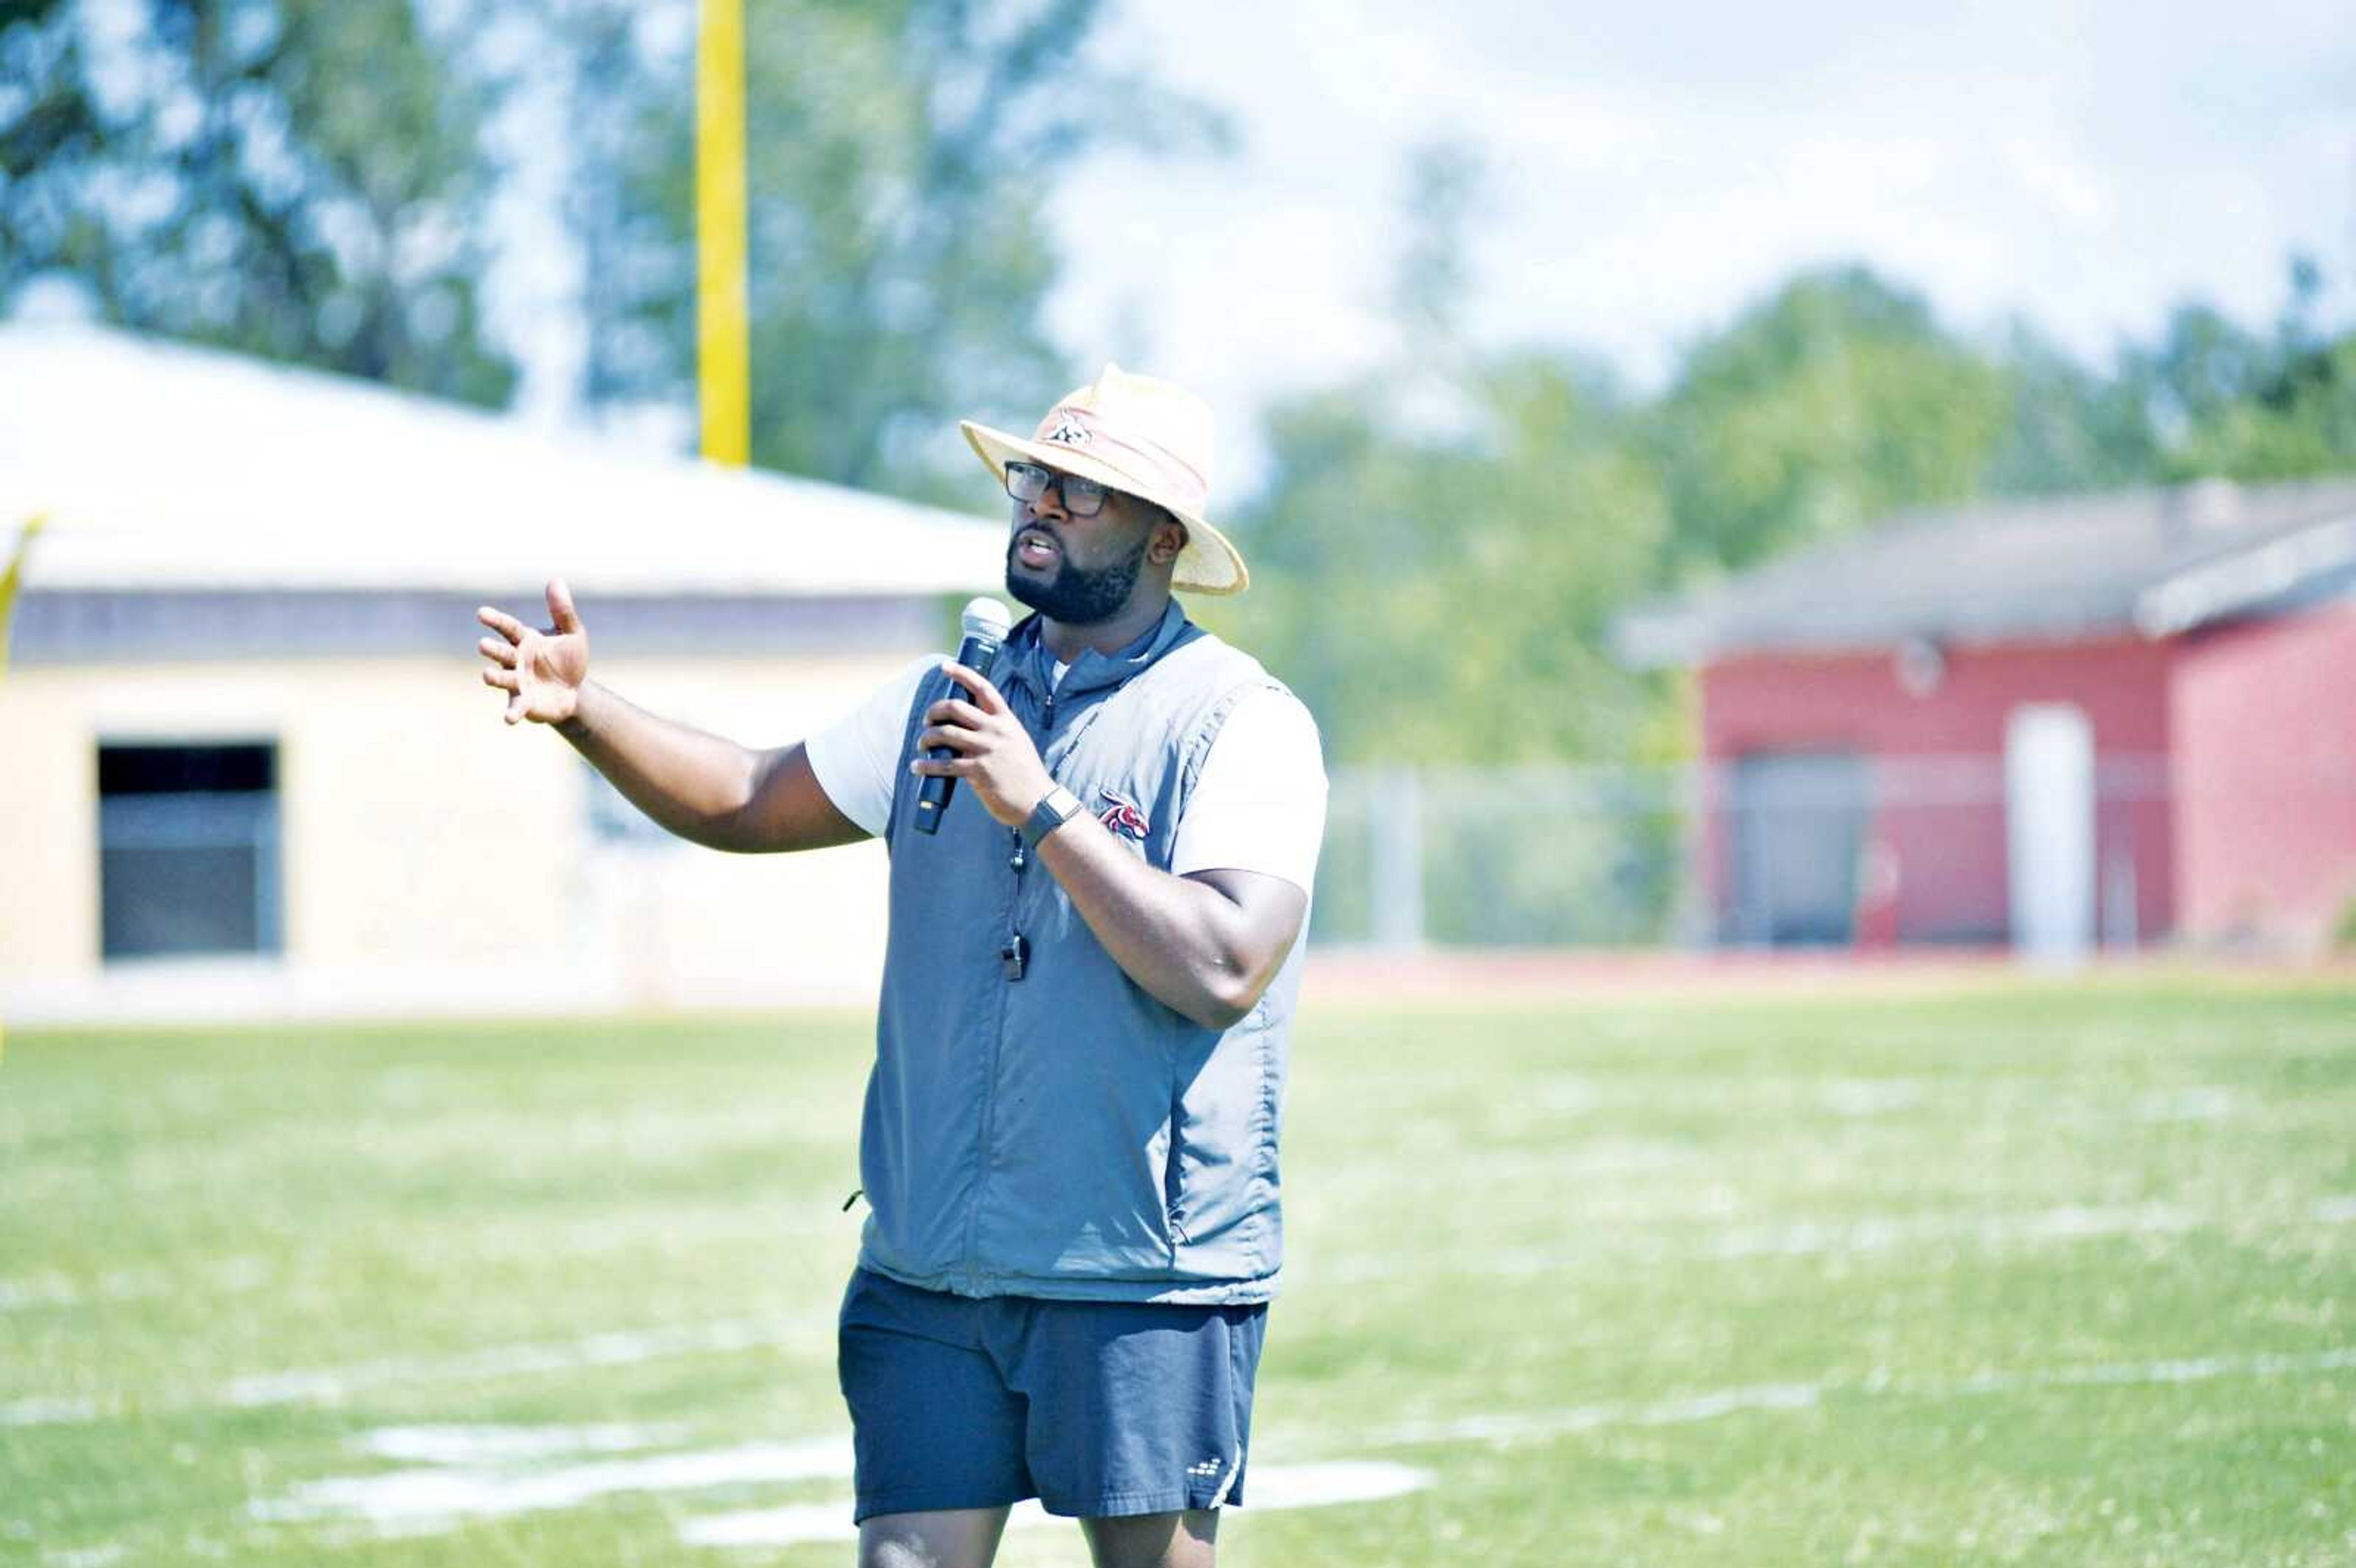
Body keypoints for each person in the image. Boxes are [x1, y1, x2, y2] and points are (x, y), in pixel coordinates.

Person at [475, 364, 1325, 1568]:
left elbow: (1225, 964)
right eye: (1037, 474)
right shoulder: (951, 697)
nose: (1040, 502)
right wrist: (586, 711)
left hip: (1143, 1276)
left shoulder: (1244, 721)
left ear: (1162, 539)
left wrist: (1038, 806)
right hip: (934, 1269)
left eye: (1083, 492)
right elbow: (742, 796)